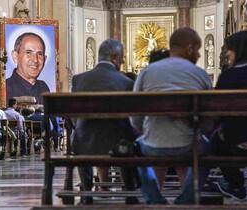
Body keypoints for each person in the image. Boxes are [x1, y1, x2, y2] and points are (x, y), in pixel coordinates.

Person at [130, 27, 212, 204]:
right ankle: (186, 200)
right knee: (209, 148)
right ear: (189, 48)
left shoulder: (147, 72)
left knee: (135, 148)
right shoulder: (200, 74)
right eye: (197, 50)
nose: (198, 55)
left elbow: (135, 116)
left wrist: (145, 133)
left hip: (153, 145)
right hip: (189, 146)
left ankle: (155, 200)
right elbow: (208, 119)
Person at [71, 38, 138, 205]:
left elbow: (72, 114)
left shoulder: (79, 80)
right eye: (122, 57)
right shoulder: (127, 82)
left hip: (85, 142)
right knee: (129, 137)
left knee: (80, 134)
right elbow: (133, 116)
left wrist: (78, 128)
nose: (122, 61)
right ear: (114, 57)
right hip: (119, 144)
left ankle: (87, 192)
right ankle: (130, 192)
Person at [213, 30, 247, 203]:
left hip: (237, 139)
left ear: (240, 49)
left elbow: (217, 109)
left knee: (215, 141)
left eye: (230, 48)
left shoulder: (229, 75)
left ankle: (236, 185)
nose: (228, 52)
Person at [6, 32, 50, 104]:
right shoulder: (6, 88)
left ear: (45, 59)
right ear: (15, 56)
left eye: (39, 54)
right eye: (28, 52)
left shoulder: (43, 87)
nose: (35, 60)